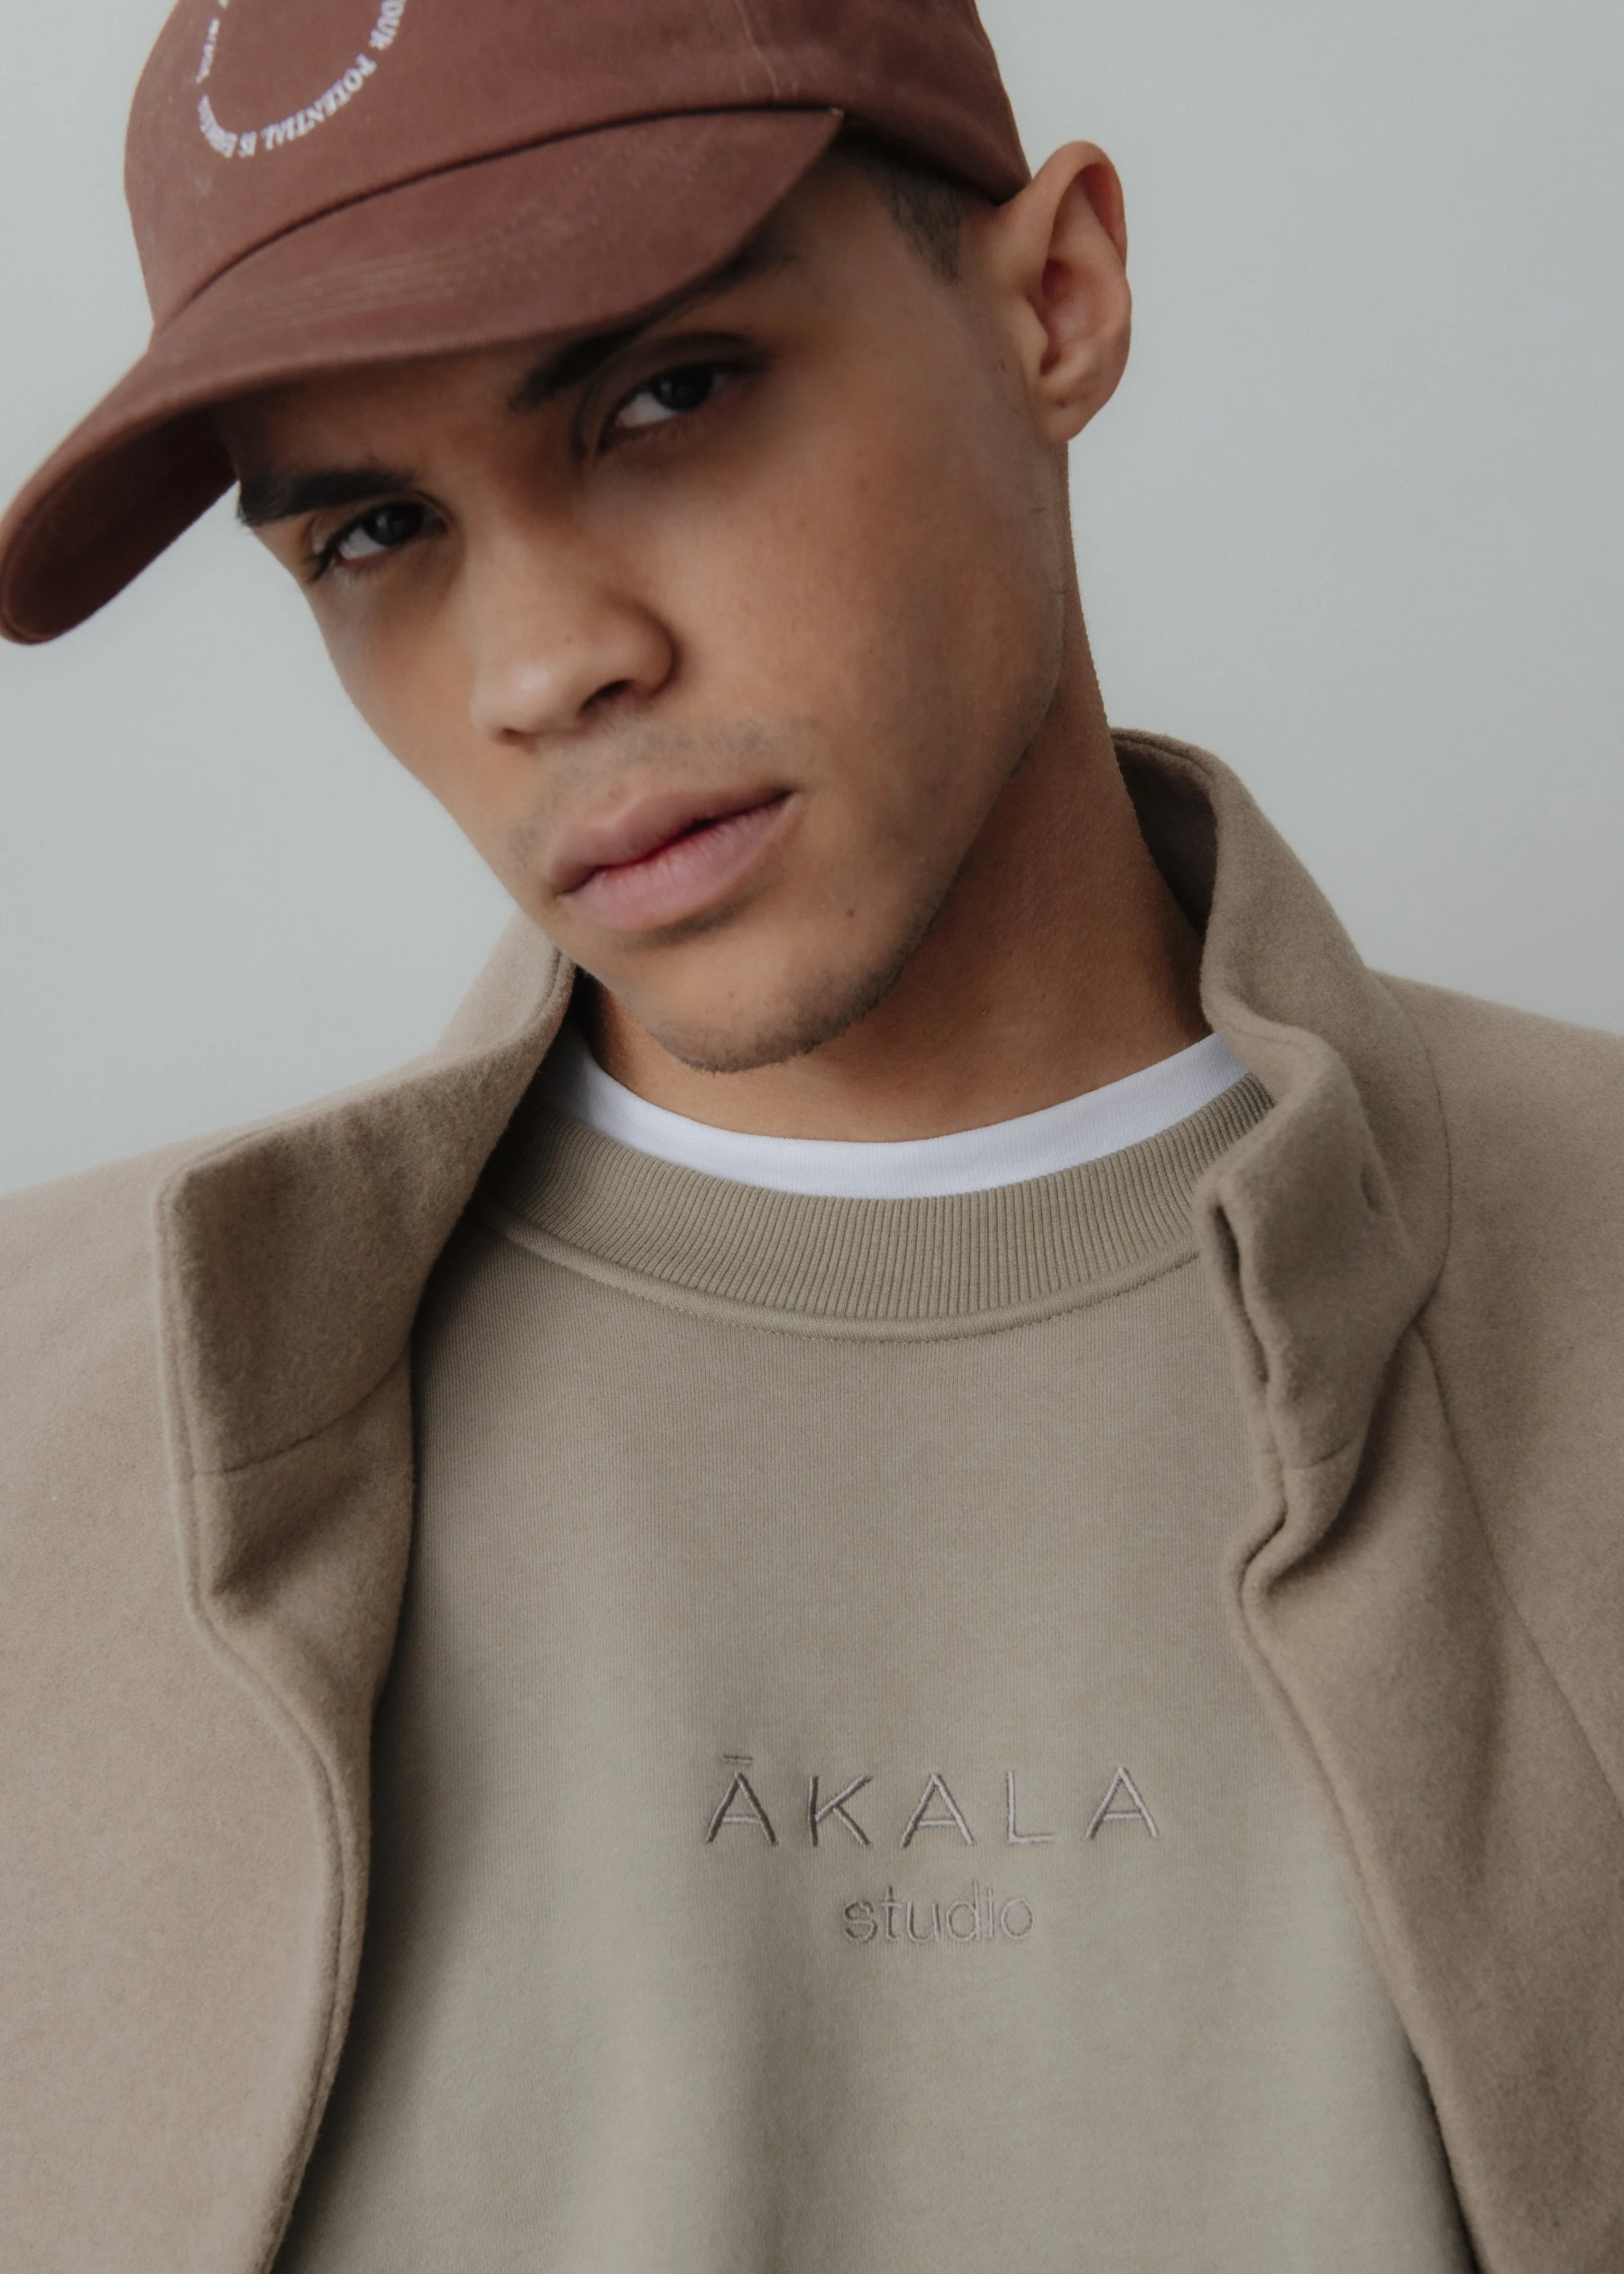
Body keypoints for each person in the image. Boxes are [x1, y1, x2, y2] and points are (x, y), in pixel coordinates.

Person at [1, 1, 1619, 2268]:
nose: (539, 663)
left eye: (665, 395)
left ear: (1053, 298)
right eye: (375, 530)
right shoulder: (43, 1447)